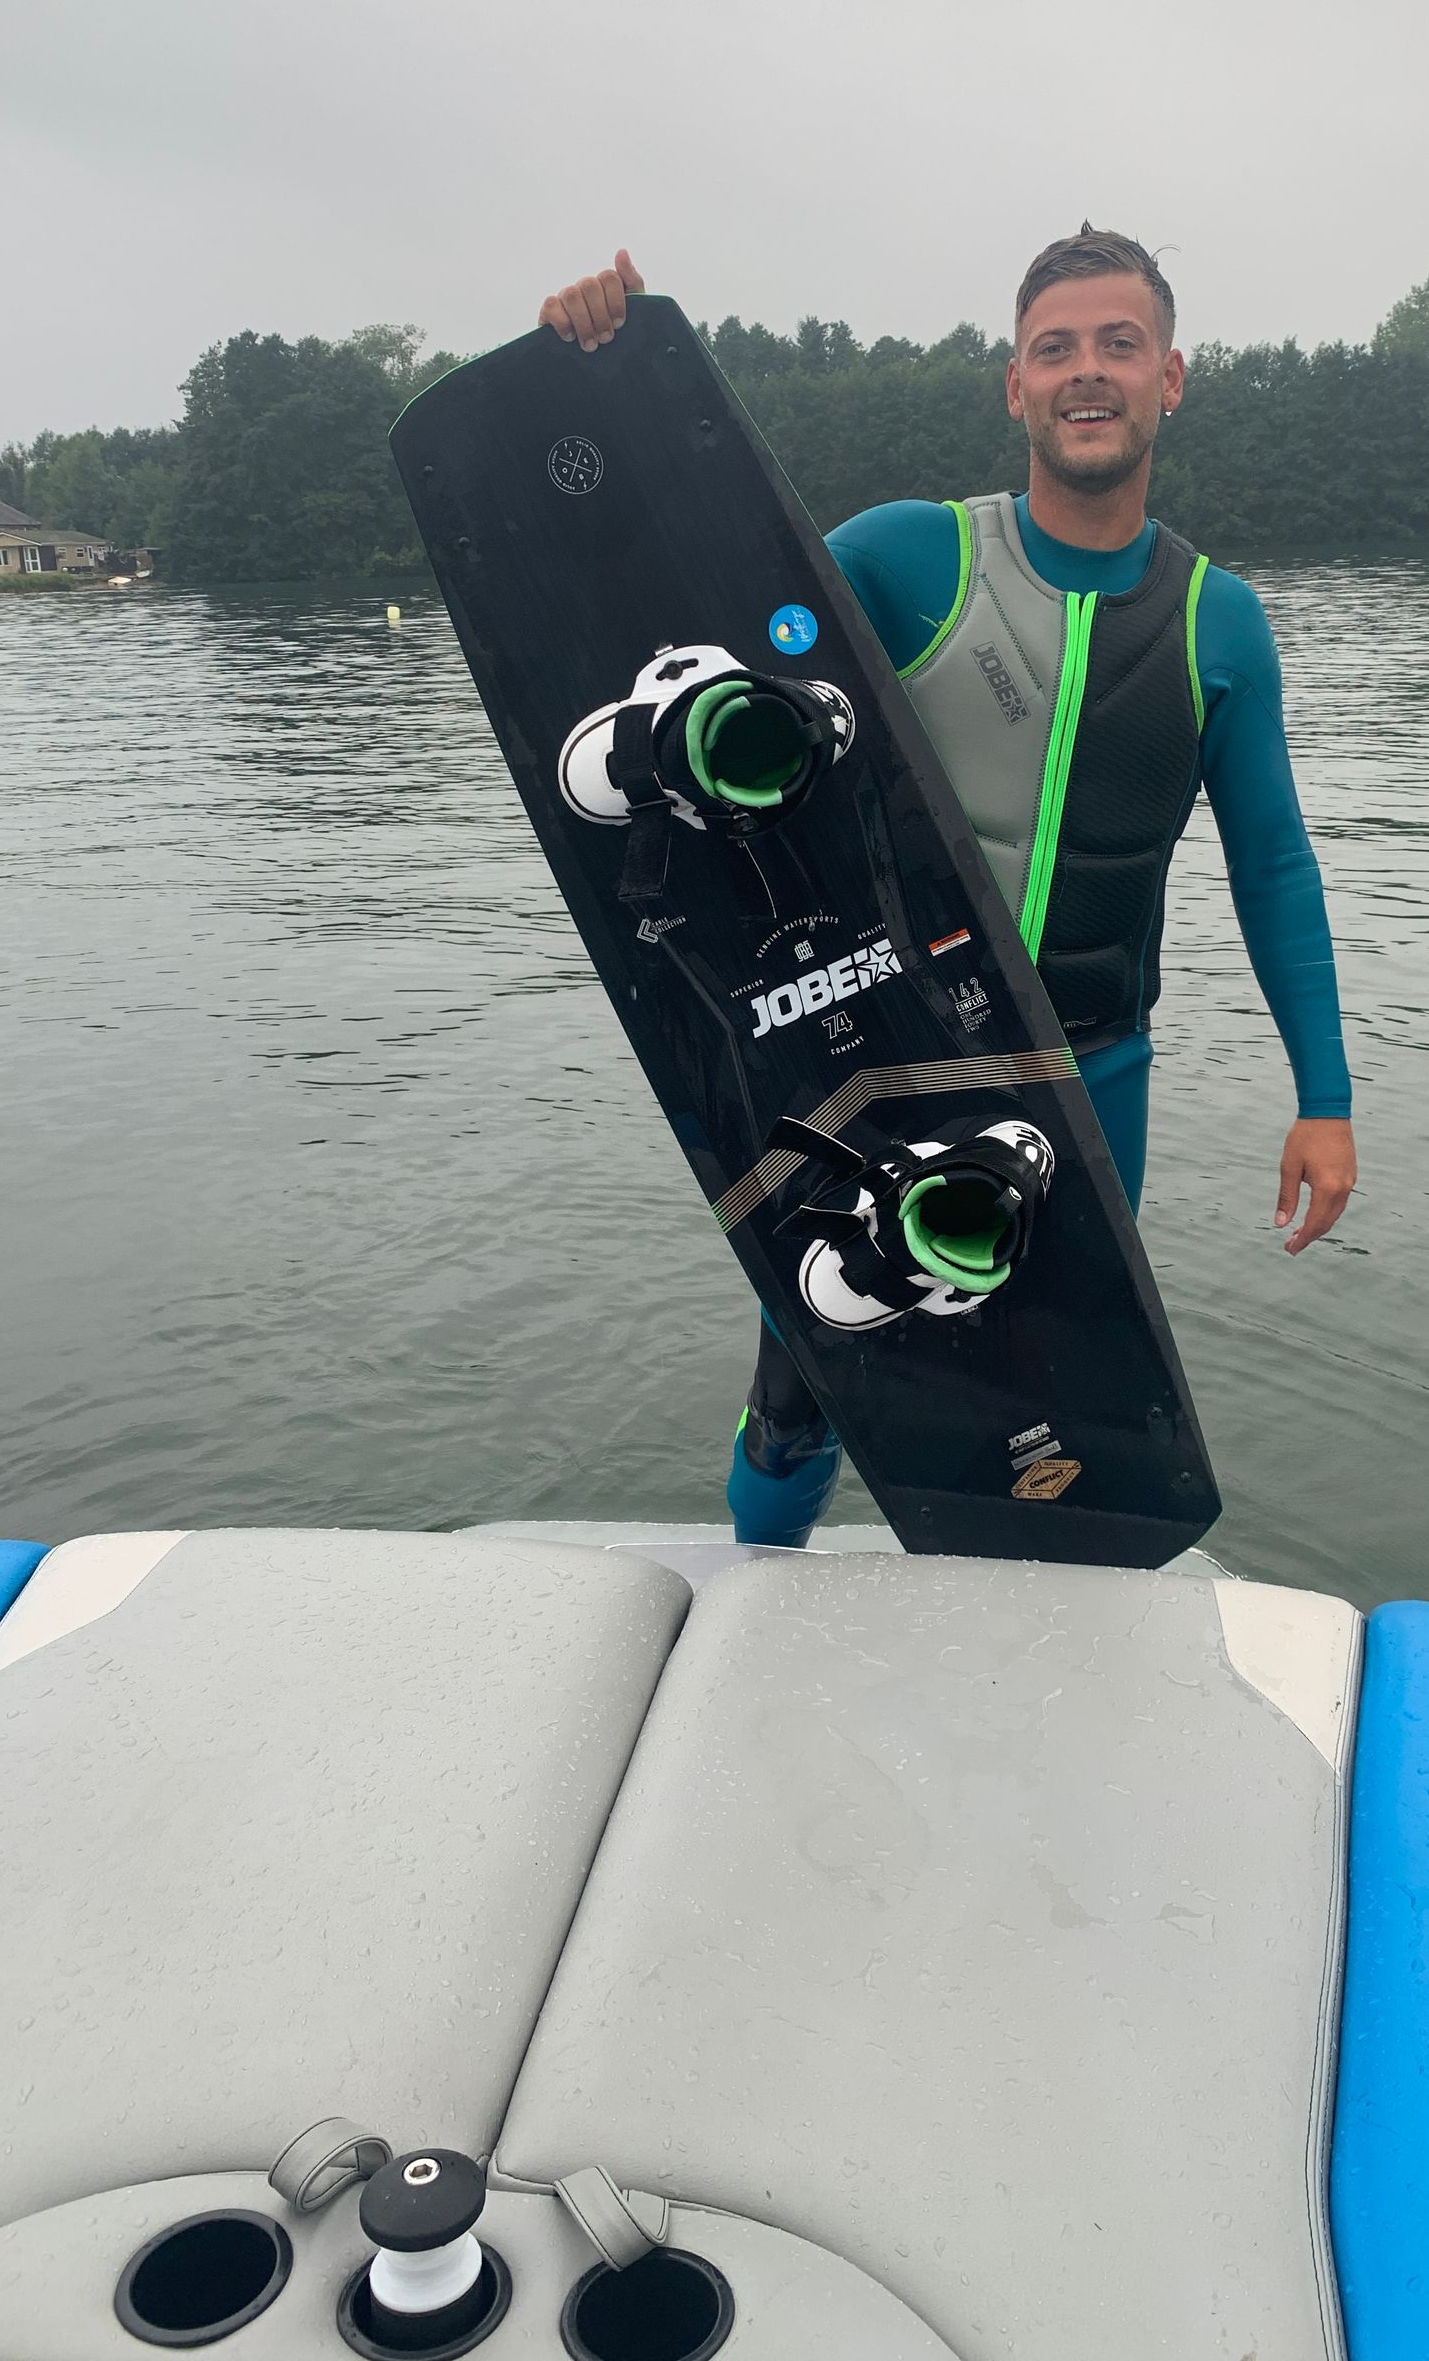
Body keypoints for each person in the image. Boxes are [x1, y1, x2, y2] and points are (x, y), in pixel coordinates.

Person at [540, 229, 1357, 1545]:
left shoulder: (1222, 624)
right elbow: (689, 590)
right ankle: (758, 1605)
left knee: (1055, 1402)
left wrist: (1325, 1098)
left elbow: (1273, 865)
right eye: (1056, 350)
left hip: (1091, 1080)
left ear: (1172, 379)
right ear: (1015, 387)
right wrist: (608, 382)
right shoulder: (910, 559)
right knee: (806, 1388)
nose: (1087, 373)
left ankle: (1024, 1651)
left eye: (1118, 345)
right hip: (874, 1061)